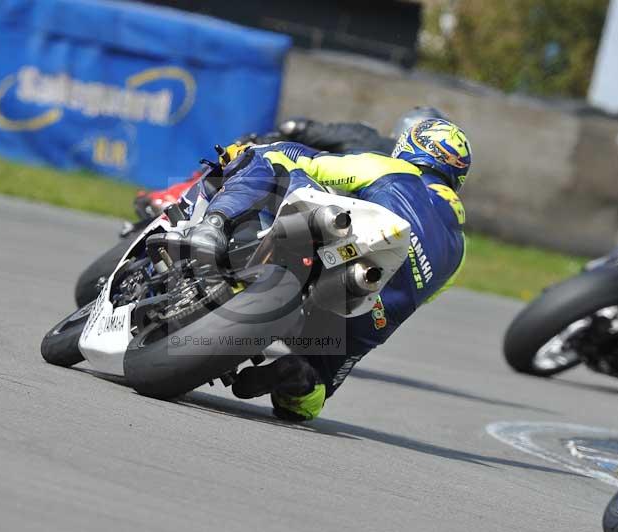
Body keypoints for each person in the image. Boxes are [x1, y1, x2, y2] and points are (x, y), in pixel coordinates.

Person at [157, 118, 471, 422]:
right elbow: (419, 296)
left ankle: (214, 226)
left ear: (411, 147)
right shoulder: (459, 250)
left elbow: (317, 166)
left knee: (271, 157)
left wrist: (259, 152)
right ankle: (296, 378)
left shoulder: (396, 170)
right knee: (309, 400)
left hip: (335, 248)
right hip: (367, 310)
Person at [133, 107, 447, 220]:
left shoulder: (369, 140)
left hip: (307, 190)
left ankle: (174, 197)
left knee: (252, 147)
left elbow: (302, 130)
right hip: (338, 235)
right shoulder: (427, 201)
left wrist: (287, 132)